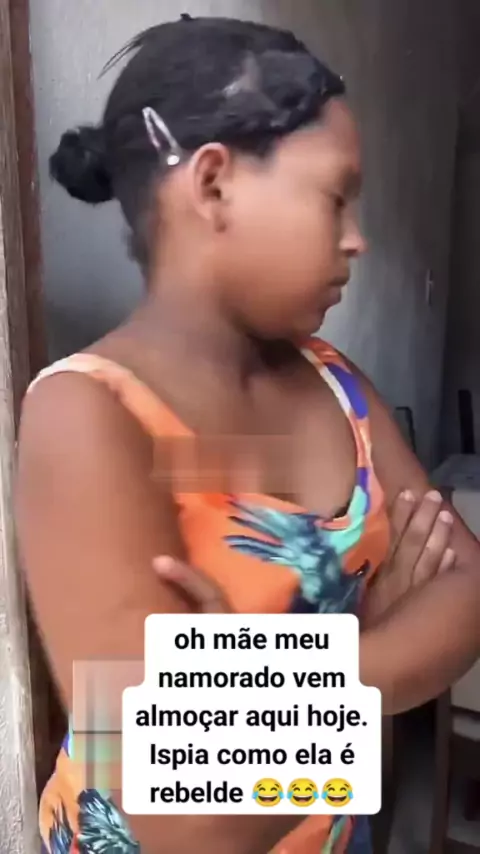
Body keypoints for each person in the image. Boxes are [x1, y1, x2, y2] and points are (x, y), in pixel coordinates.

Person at [14, 15, 480, 854]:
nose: (358, 238)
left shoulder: (338, 385)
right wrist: (374, 656)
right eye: (334, 196)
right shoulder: (85, 418)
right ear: (214, 185)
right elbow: (184, 824)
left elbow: (468, 592)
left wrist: (255, 693)